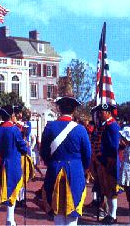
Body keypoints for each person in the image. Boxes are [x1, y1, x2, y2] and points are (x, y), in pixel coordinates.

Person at [40, 97, 91, 226]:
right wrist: (83, 169)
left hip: (54, 170)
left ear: (59, 109)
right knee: (73, 208)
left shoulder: (50, 127)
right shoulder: (80, 129)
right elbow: (87, 155)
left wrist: (51, 163)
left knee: (57, 209)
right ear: (74, 110)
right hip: (75, 171)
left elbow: (44, 152)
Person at [0, 105, 32, 226]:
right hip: (14, 162)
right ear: (12, 115)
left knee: (8, 189)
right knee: (13, 189)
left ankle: (10, 218)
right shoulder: (14, 129)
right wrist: (25, 145)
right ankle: (10, 219)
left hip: (4, 161)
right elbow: (22, 146)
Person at [91, 103, 120, 225]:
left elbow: (114, 147)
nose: (99, 115)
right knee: (105, 189)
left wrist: (109, 163)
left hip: (109, 163)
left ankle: (113, 215)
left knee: (111, 190)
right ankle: (109, 214)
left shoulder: (112, 126)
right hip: (102, 162)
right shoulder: (104, 126)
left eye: (101, 112)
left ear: (108, 113)